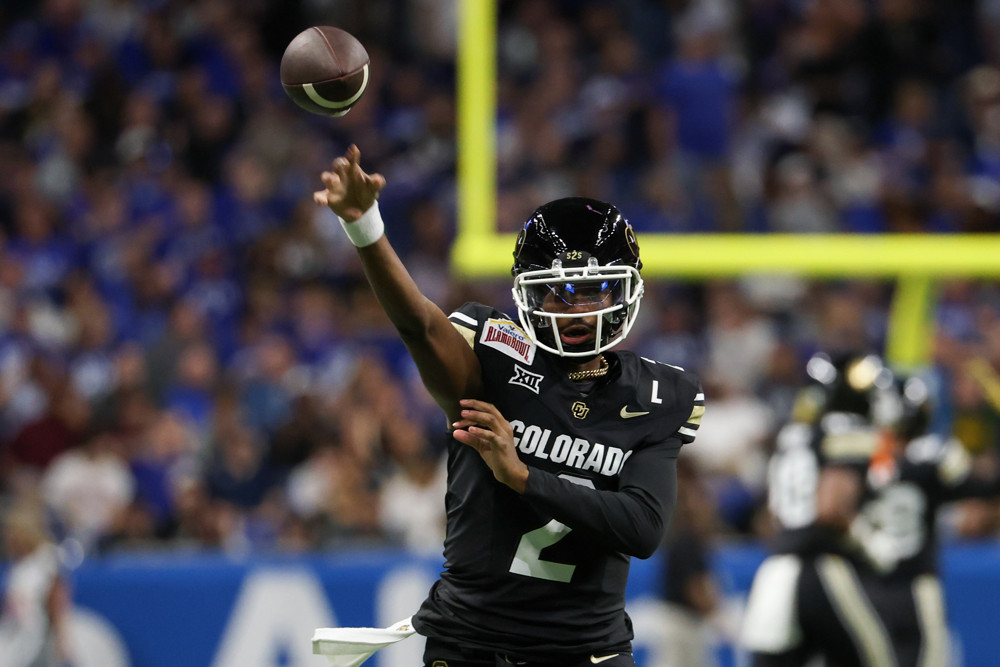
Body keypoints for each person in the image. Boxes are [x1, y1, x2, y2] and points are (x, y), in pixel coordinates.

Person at [312, 145, 704, 667]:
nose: (578, 311)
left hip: (588, 651)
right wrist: (367, 229)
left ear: (626, 292)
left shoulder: (657, 395)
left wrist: (522, 476)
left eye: (595, 290)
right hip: (472, 642)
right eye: (559, 294)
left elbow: (642, 528)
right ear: (528, 297)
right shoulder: (491, 354)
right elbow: (420, 325)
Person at [741, 352, 898, 666]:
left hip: (777, 571)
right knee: (876, 658)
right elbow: (831, 508)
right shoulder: (846, 429)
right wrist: (868, 542)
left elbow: (771, 517)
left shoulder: (792, 436)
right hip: (823, 567)